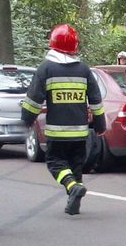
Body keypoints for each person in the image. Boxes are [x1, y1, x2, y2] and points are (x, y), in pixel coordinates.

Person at [21, 24, 105, 215]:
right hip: (80, 132)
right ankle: (73, 202)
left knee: (55, 162)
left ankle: (71, 187)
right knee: (76, 166)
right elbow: (96, 100)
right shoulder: (84, 70)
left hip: (57, 132)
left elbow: (34, 99)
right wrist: (100, 124)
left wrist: (26, 118)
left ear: (53, 44)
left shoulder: (46, 69)